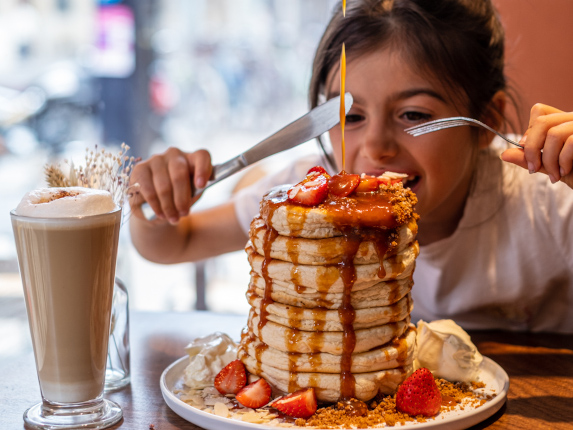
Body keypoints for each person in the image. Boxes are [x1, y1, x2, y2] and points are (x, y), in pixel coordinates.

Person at [129, 0, 573, 333]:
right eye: (351, 118)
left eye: (414, 115)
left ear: (486, 121)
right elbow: (175, 244)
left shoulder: (546, 202)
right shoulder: (311, 194)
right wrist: (157, 199)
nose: (375, 148)